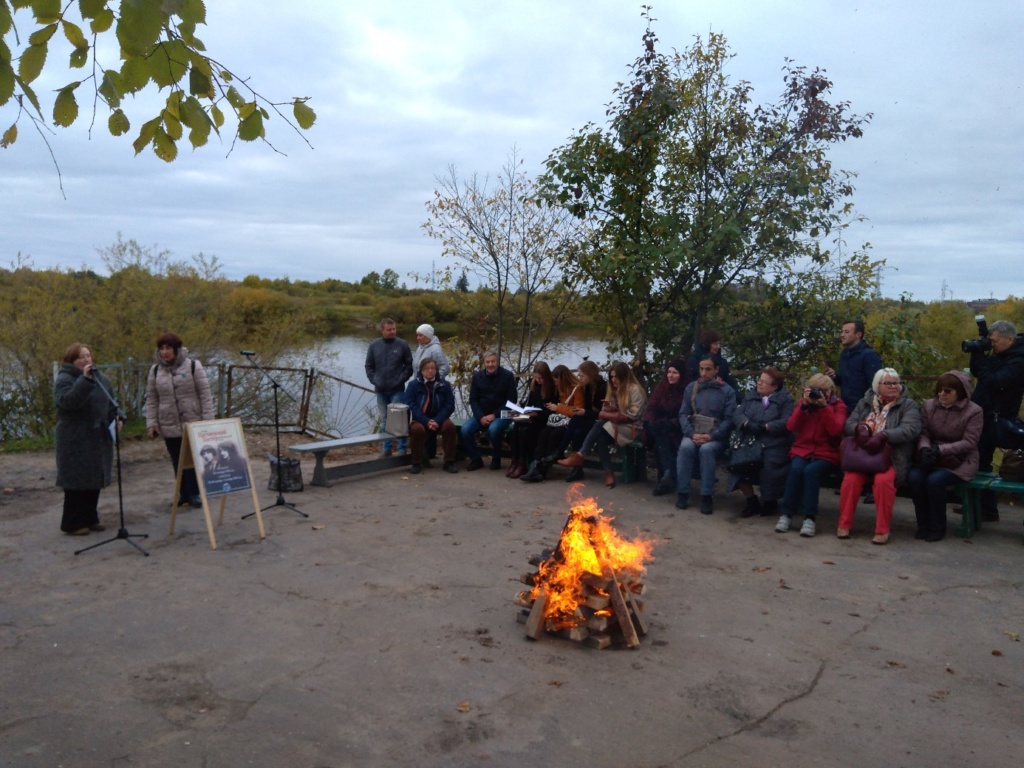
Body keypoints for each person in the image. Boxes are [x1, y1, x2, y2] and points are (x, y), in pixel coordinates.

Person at [838, 368, 921, 544]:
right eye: (888, 383)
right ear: (877, 386)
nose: (893, 386)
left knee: (884, 481)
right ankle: (844, 524)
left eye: (896, 383)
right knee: (851, 479)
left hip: (891, 458)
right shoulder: (865, 402)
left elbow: (910, 429)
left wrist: (884, 435)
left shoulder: (908, 405)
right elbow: (849, 424)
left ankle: (882, 529)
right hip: (862, 456)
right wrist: (860, 429)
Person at [908, 371, 984, 542]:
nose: (942, 394)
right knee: (914, 477)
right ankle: (923, 524)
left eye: (948, 391)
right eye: (940, 390)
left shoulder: (974, 411)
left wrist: (941, 450)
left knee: (935, 481)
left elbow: (969, 442)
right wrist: (924, 449)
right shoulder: (929, 405)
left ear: (960, 392)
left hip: (961, 460)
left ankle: (937, 526)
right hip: (931, 455)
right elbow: (924, 432)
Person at [53, 343, 119, 535]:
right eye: (81, 357)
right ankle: (72, 522)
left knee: (94, 479)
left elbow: (111, 402)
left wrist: (118, 417)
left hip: (97, 437)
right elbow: (68, 402)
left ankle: (90, 517)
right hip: (74, 438)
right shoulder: (64, 379)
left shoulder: (101, 379)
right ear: (71, 361)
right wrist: (85, 380)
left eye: (88, 356)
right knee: (76, 482)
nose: (86, 360)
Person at [145, 332, 215, 507]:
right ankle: (182, 492)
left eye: (168, 348)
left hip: (192, 421)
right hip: (168, 422)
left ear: (176, 349)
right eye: (161, 349)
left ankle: (195, 493)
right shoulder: (155, 371)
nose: (165, 352)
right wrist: (152, 423)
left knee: (192, 458)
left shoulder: (193, 366)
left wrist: (207, 421)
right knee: (177, 459)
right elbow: (152, 399)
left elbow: (205, 395)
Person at [775, 373, 847, 537]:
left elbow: (836, 431)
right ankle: (786, 514)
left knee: (811, 471)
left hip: (827, 453)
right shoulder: (804, 404)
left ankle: (810, 517)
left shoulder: (838, 406)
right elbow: (791, 426)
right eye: (815, 390)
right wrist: (803, 406)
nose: (818, 394)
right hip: (803, 449)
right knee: (796, 470)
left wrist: (824, 408)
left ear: (830, 391)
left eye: (822, 391)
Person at [558, 361, 646, 488]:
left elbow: (632, 416)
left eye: (616, 377)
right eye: (611, 377)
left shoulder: (635, 390)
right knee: (601, 437)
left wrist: (605, 414)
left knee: (600, 424)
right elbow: (614, 410)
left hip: (633, 427)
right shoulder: (615, 388)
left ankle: (580, 455)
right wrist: (610, 408)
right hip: (617, 425)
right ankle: (608, 471)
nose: (613, 380)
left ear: (624, 376)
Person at [969, 319, 1024, 522]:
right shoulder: (1001, 354)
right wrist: (977, 352)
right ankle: (984, 508)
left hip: (1000, 419)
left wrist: (983, 360)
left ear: (1010, 339)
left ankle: (987, 508)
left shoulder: (1018, 360)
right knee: (979, 461)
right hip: (984, 415)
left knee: (984, 460)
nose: (992, 344)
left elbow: (994, 381)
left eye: (995, 341)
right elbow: (979, 372)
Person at [729, 366, 794, 519]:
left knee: (769, 463)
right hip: (749, 439)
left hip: (774, 441)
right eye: (759, 380)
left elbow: (787, 421)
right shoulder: (751, 396)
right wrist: (746, 423)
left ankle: (770, 500)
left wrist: (767, 427)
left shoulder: (786, 400)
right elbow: (738, 413)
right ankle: (751, 500)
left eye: (764, 382)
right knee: (738, 462)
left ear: (775, 386)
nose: (759, 384)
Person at [676, 356, 737, 514]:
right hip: (694, 433)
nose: (703, 372)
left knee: (707, 450)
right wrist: (690, 433)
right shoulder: (692, 387)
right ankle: (682, 492)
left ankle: (706, 495)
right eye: (701, 369)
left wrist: (712, 436)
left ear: (716, 370)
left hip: (715, 437)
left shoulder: (727, 391)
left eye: (708, 369)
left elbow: (729, 420)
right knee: (685, 447)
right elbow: (683, 413)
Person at [520, 365, 585, 482]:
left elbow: (577, 411)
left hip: (569, 422)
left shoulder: (576, 389)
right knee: (544, 434)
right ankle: (536, 464)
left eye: (557, 381)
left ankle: (543, 468)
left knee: (554, 436)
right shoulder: (560, 388)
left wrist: (558, 408)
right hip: (558, 420)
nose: (555, 384)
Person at [460, 351, 517, 471]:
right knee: (465, 430)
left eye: (493, 361)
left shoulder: (507, 376)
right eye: (488, 362)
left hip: (501, 414)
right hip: (482, 414)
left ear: (497, 362)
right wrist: (481, 416)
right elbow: (473, 400)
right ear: (484, 363)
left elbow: (511, 401)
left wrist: (494, 414)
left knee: (494, 429)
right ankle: (476, 459)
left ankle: (496, 459)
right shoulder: (477, 376)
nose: (490, 364)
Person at [364, 318, 413, 457]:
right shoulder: (374, 345)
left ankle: (402, 448)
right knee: (385, 419)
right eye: (389, 330)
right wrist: (374, 380)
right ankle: (387, 448)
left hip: (397, 389)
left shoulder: (402, 344)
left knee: (399, 419)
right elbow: (368, 366)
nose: (392, 332)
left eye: (394, 329)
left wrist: (400, 379)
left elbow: (409, 366)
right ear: (382, 330)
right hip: (380, 390)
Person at [403, 358, 459, 474]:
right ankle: (416, 462)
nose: (430, 371)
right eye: (427, 369)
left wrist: (437, 420)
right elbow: (410, 404)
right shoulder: (413, 385)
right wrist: (426, 421)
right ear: (421, 371)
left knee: (450, 427)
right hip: (419, 418)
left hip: (439, 418)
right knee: (417, 430)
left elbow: (449, 405)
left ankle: (449, 462)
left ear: (436, 370)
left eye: (433, 368)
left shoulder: (444, 384)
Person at [506, 362, 558, 478]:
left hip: (543, 421)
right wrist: (521, 406)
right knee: (515, 428)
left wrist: (537, 414)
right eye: (536, 377)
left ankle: (522, 462)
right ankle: (515, 461)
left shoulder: (552, 388)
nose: (538, 380)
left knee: (525, 431)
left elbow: (552, 411)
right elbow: (529, 402)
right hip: (531, 417)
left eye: (541, 378)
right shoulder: (534, 385)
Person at [644, 359, 688, 496]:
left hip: (675, 429)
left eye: (674, 372)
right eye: (669, 372)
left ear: (681, 375)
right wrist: (652, 421)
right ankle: (668, 474)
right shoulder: (661, 388)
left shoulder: (686, 391)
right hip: (658, 426)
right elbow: (651, 407)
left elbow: (685, 413)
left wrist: (670, 424)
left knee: (661, 440)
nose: (670, 375)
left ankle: (665, 478)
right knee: (659, 434)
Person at [825, 319, 883, 415]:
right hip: (845, 408)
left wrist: (869, 407)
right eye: (842, 331)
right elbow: (846, 381)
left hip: (863, 409)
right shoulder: (844, 354)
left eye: (847, 332)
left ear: (858, 334)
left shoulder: (869, 355)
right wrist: (835, 376)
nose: (842, 335)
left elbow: (875, 385)